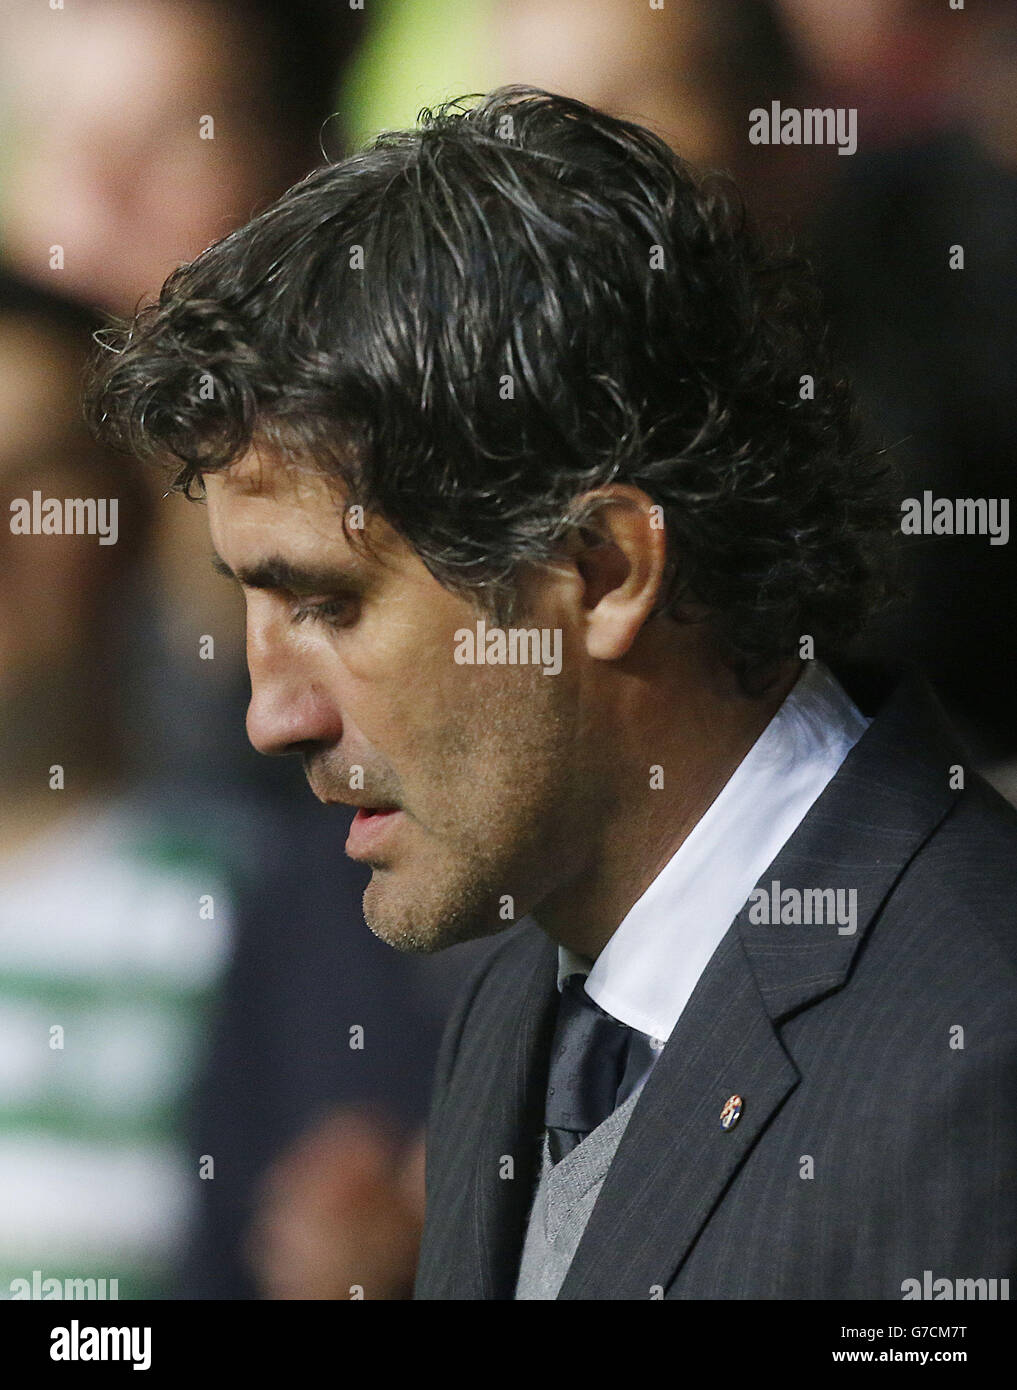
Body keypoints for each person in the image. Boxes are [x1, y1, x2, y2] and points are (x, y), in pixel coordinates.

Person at [84, 87, 1017, 1300]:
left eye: (327, 603)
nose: (274, 714)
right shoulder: (527, 986)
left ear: (604, 569)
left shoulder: (976, 1059)